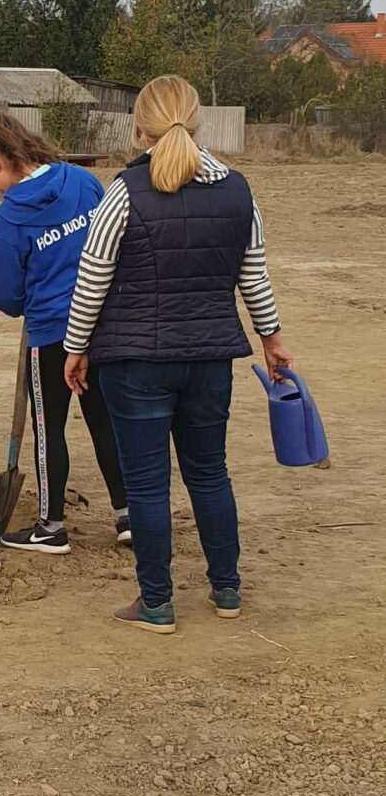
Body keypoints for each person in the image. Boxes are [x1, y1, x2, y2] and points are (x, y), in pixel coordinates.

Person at [63, 74, 292, 634]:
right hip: (211, 360)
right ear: (196, 121)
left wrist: (75, 348)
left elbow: (92, 281)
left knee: (146, 485)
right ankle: (227, 589)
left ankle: (158, 602)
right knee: (210, 473)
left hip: (135, 362)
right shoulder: (239, 190)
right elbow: (253, 277)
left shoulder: (123, 193)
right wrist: (272, 338)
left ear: (139, 127)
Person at [0, 111, 128, 553]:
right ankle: (127, 514)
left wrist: (30, 302)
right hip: (101, 324)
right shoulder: (82, 182)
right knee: (106, 421)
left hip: (51, 333)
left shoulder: (11, 217)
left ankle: (51, 525)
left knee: (48, 426)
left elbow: (4, 294)